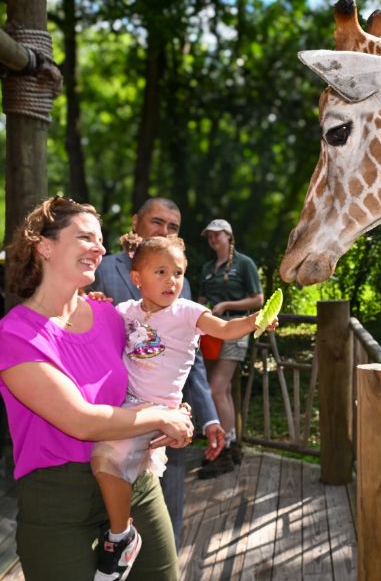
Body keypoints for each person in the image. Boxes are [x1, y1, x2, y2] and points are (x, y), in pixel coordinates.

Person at [0, 197, 193, 581]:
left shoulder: (111, 316)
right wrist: (161, 417)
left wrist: (177, 408)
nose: (101, 248)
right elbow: (81, 421)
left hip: (132, 481)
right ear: (45, 245)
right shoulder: (15, 334)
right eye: (86, 237)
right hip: (58, 502)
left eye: (101, 240)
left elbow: (156, 366)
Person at [90, 232, 275, 581]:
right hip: (127, 405)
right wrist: (96, 301)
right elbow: (95, 329)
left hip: (160, 411)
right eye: (160, 272)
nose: (171, 281)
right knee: (103, 462)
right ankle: (120, 530)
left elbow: (224, 328)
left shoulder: (187, 313)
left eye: (178, 273)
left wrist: (255, 321)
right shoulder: (125, 311)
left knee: (106, 459)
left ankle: (119, 537)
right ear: (136, 278)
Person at [90, 197, 223, 548]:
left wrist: (203, 414)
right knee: (109, 495)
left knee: (167, 511)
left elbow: (188, 356)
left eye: (173, 227)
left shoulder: (179, 281)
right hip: (115, 413)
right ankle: (119, 548)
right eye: (157, 222)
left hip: (168, 423)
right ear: (136, 222)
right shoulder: (100, 269)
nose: (165, 231)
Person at [198, 219, 263, 479]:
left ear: (229, 236)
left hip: (235, 331)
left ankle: (224, 448)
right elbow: (201, 299)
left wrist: (226, 305)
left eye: (217, 235)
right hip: (211, 333)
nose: (213, 239)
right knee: (221, 390)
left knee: (216, 388)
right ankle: (231, 444)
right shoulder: (206, 268)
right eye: (209, 236)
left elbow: (258, 299)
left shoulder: (244, 263)